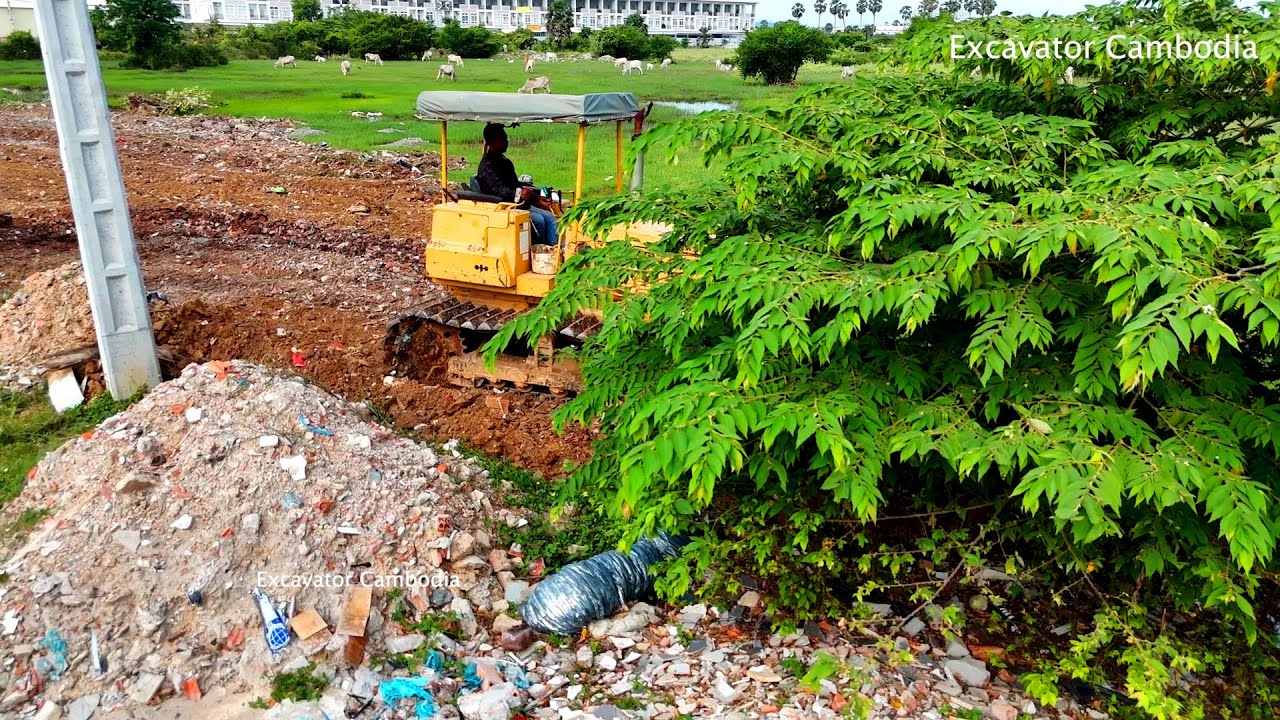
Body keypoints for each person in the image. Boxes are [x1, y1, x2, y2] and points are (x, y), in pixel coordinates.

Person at [475, 124, 557, 247]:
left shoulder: (505, 162)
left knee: (550, 218)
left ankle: (554, 251)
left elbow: (516, 184)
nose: (507, 142)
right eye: (503, 139)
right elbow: (498, 190)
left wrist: (536, 197)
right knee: (539, 220)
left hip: (516, 204)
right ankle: (537, 254)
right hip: (502, 207)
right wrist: (517, 193)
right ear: (492, 141)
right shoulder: (487, 165)